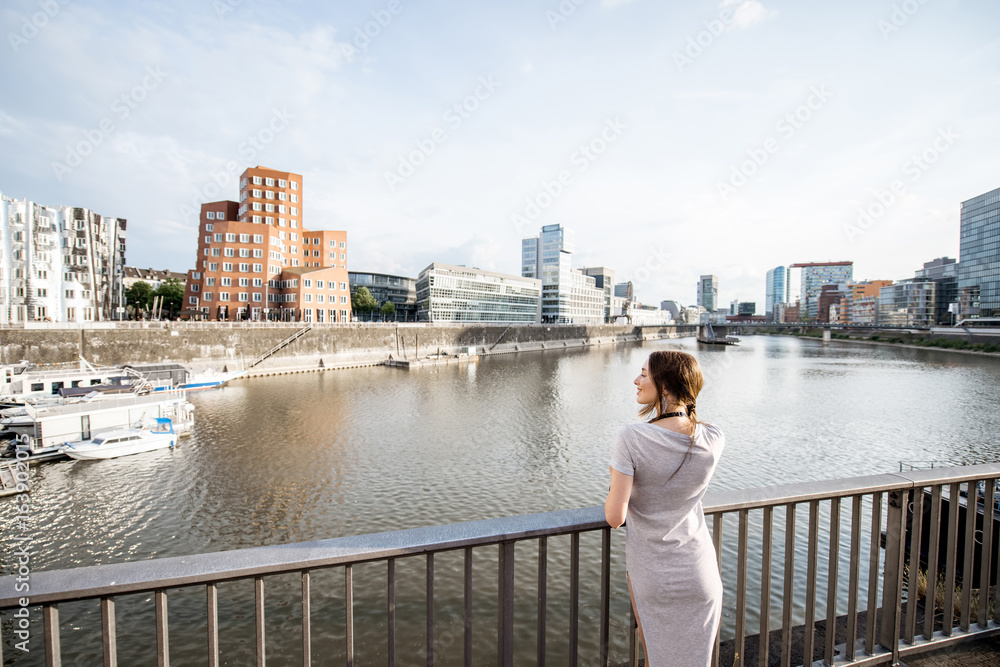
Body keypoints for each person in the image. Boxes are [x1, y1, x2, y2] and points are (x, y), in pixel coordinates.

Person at [605, 350, 725, 666]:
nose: (636, 380)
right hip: (700, 572)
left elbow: (615, 517)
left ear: (666, 387)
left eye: (644, 374)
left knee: (657, 658)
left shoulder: (632, 436)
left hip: (653, 572)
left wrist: (616, 476)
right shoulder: (713, 437)